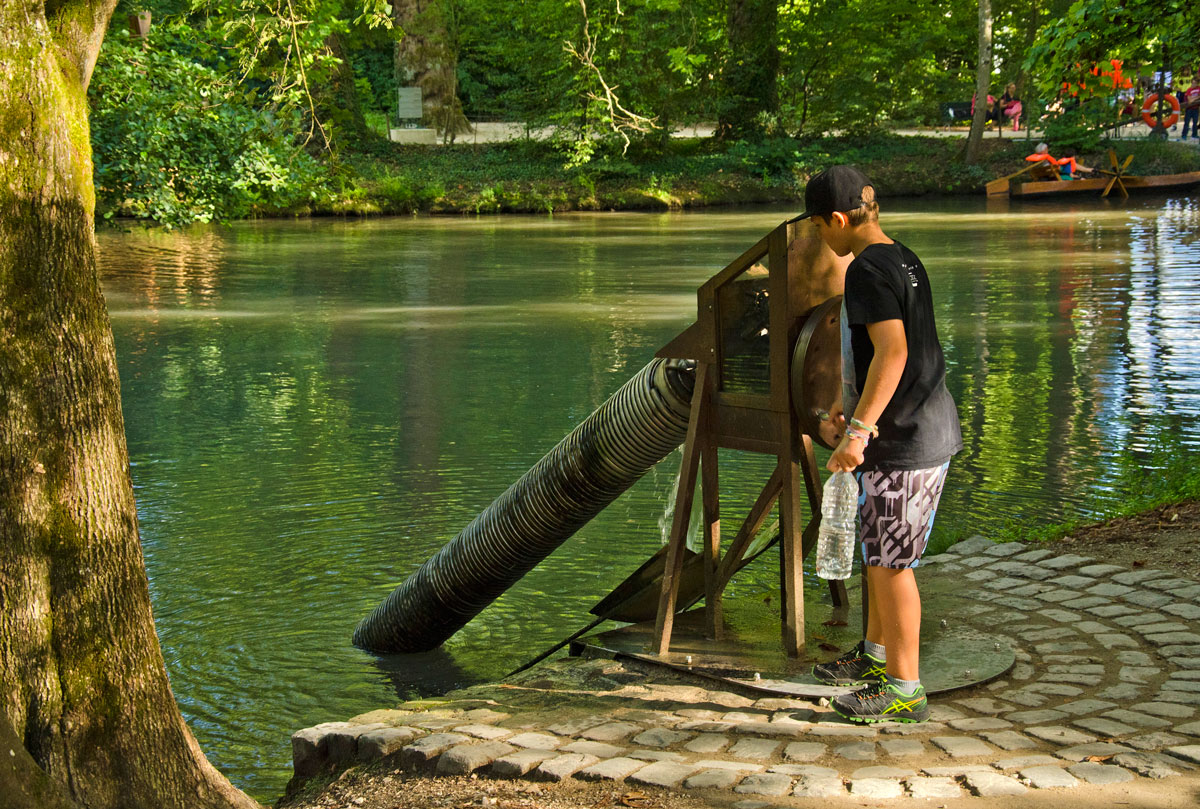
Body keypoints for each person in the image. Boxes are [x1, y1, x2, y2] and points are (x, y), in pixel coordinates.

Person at [795, 166, 962, 724]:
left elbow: (893, 352)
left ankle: (904, 689)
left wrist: (859, 433)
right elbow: (897, 355)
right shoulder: (902, 257)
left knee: (892, 564)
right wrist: (856, 406)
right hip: (921, 423)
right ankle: (874, 656)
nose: (821, 237)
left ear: (838, 219)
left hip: (905, 440)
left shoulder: (864, 270)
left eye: (819, 226)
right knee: (878, 551)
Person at [1182, 75, 1200, 141]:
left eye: (1195, 83)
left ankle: (1194, 135)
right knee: (1187, 122)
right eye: (1192, 83)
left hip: (1196, 108)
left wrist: (1194, 98)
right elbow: (1190, 100)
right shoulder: (1189, 90)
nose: (1193, 84)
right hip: (1189, 109)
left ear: (1197, 83)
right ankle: (1184, 135)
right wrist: (1196, 97)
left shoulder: (1199, 89)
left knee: (1195, 122)